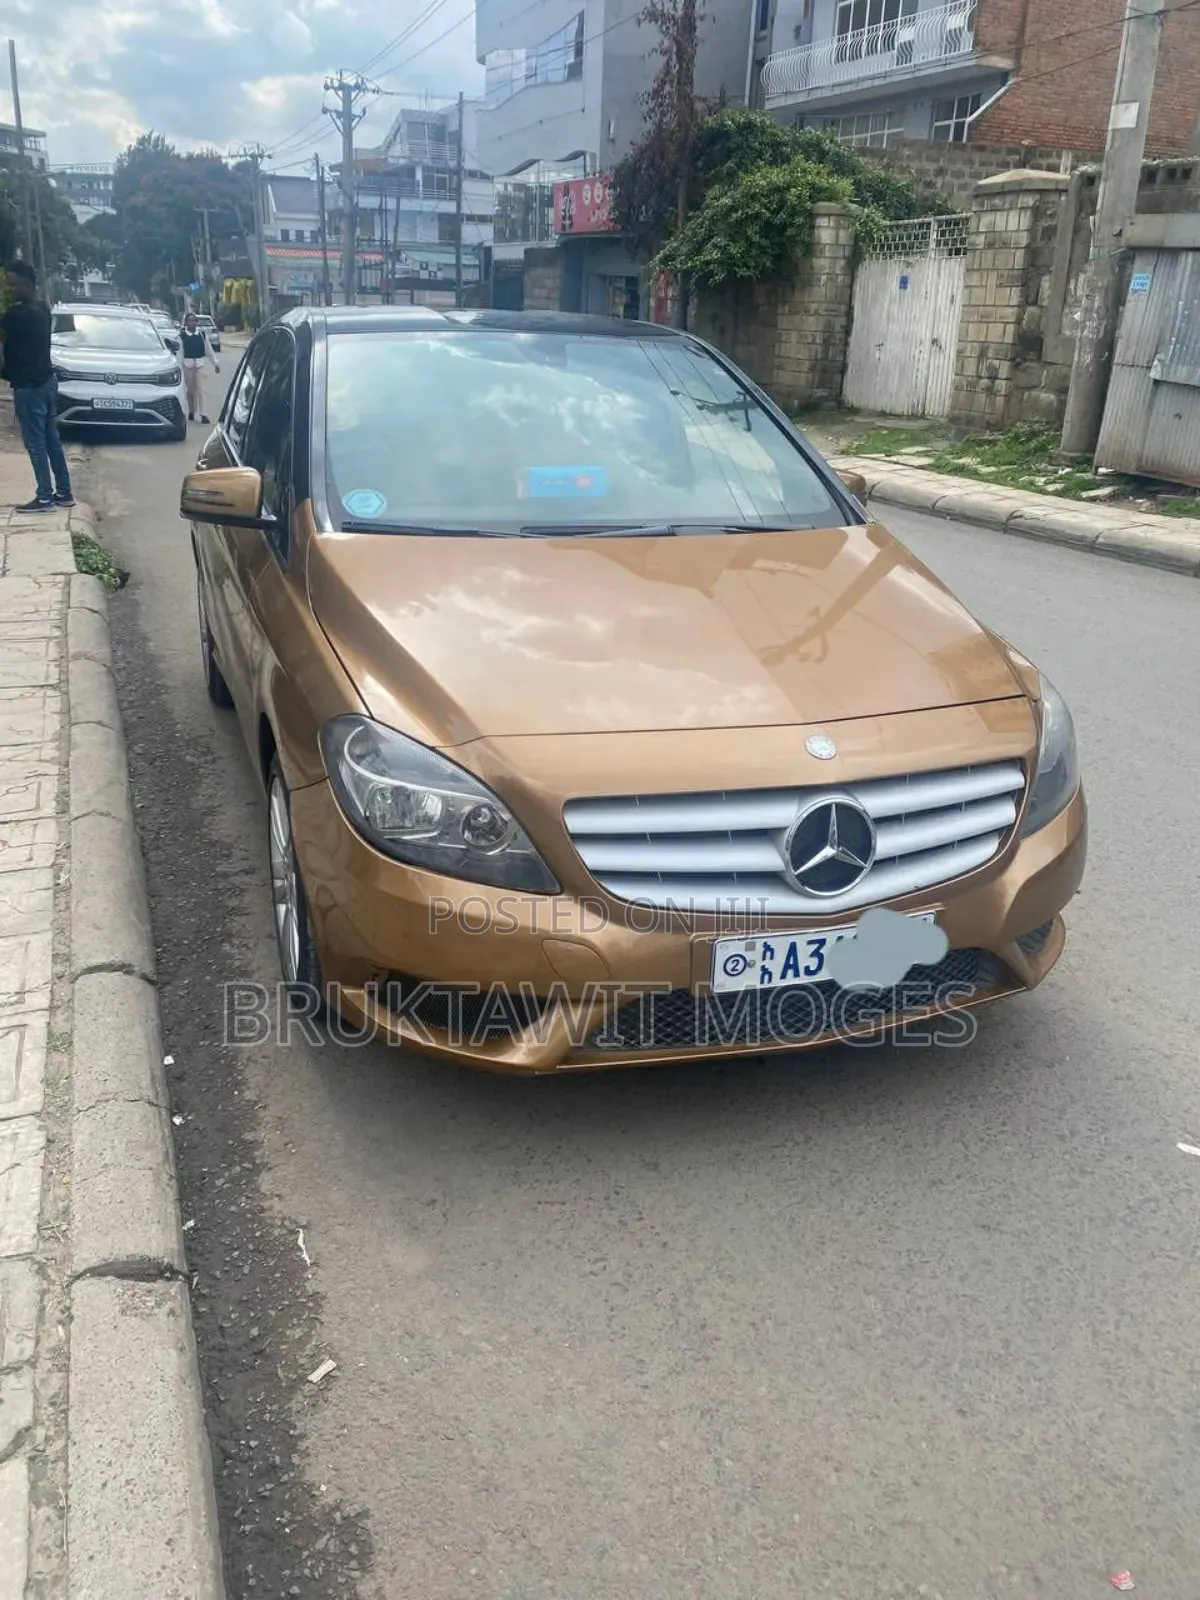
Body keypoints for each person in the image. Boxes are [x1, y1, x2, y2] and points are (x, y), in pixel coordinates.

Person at [0, 260, 73, 513]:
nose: (10, 291)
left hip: (28, 387)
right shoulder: (43, 309)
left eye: (13, 285)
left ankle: (44, 497)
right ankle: (64, 492)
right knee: (52, 440)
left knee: (35, 443)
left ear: (27, 283)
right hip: (47, 382)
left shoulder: (14, 316)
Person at [179, 310, 220, 424]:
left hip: (200, 364)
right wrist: (179, 367)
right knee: (190, 391)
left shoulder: (201, 335)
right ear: (186, 323)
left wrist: (215, 363)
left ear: (196, 322)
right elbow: (180, 353)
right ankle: (192, 411)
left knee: (201, 390)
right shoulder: (182, 336)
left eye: (193, 321)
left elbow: (209, 350)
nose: (191, 323)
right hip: (187, 366)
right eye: (189, 321)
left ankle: (204, 414)